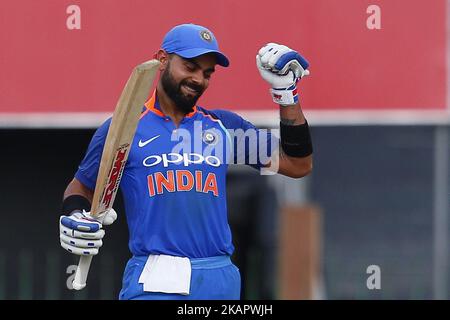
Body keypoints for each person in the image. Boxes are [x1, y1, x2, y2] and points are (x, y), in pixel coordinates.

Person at [59, 23, 313, 300]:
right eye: (190, 67)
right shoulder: (124, 127)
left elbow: (297, 164)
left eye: (207, 73)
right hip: (157, 277)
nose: (198, 79)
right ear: (162, 60)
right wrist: (75, 215)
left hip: (220, 278)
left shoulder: (223, 126)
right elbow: (81, 187)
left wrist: (287, 94)